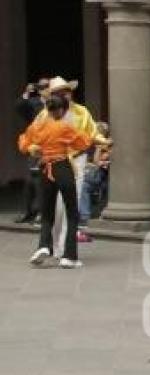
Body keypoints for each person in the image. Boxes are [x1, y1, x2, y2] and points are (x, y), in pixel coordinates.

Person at [35, 77, 109, 257]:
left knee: (70, 203)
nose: (64, 95)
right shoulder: (45, 114)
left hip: (77, 160)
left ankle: (64, 248)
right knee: (56, 207)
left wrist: (103, 141)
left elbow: (92, 131)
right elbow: (35, 137)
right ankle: (53, 246)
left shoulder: (81, 112)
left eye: (66, 91)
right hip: (55, 161)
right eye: (59, 92)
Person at [18, 95, 91, 268]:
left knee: (47, 213)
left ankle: (43, 246)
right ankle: (69, 256)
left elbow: (23, 143)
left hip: (45, 168)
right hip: (62, 167)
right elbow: (84, 142)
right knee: (72, 213)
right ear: (61, 110)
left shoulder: (38, 126)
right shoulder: (65, 127)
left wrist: (32, 148)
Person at [13, 78, 50, 224]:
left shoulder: (55, 102)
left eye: (47, 86)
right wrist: (27, 93)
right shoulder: (34, 102)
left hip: (52, 144)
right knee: (31, 181)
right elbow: (19, 107)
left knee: (42, 181)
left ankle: (42, 212)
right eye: (41, 87)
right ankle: (28, 211)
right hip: (35, 145)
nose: (44, 89)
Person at [79, 121, 112, 228]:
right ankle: (84, 217)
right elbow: (95, 162)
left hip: (103, 177)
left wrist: (99, 147)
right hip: (94, 175)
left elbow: (97, 161)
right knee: (83, 185)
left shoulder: (107, 145)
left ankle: (84, 216)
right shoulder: (92, 145)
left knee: (82, 183)